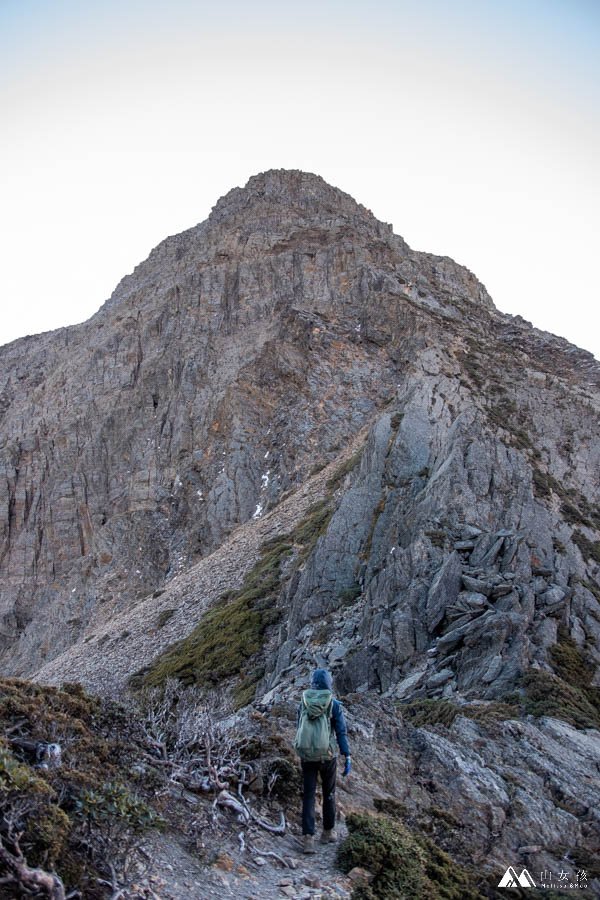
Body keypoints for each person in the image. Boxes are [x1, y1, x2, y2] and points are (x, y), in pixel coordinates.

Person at [294, 668, 351, 854]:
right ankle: (328, 831)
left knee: (309, 794)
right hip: (328, 755)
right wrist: (347, 754)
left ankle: (308, 838)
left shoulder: (303, 701)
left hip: (307, 755)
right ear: (329, 683)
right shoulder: (334, 704)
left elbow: (298, 726)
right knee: (329, 792)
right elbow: (341, 732)